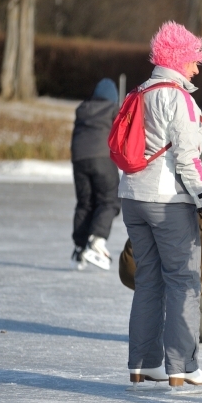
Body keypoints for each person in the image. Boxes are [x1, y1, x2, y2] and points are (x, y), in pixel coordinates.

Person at [118, 21, 202, 391]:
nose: (197, 68)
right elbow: (188, 161)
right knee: (183, 281)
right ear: (179, 60)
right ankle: (182, 365)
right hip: (166, 202)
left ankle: (144, 364)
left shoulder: (140, 91)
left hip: (132, 197)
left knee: (148, 279)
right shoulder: (178, 98)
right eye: (194, 61)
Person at [118, 140, 202, 344]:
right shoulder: (193, 195)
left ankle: (166, 309)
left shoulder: (162, 180)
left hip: (147, 267)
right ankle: (166, 315)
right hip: (170, 277)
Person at [70, 78, 121, 271]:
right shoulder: (113, 110)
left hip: (79, 160)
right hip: (102, 157)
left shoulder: (82, 109)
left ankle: (79, 247)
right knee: (110, 200)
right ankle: (97, 241)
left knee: (85, 202)